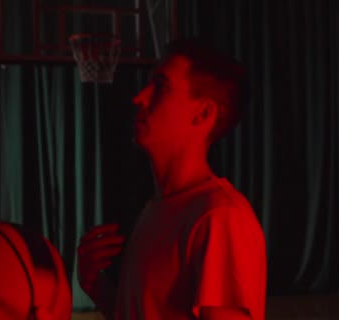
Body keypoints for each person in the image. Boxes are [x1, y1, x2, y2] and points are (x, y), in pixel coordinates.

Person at [77, 39, 267, 320]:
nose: (139, 97)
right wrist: (93, 283)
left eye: (161, 87)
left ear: (202, 114)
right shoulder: (157, 208)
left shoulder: (220, 218)